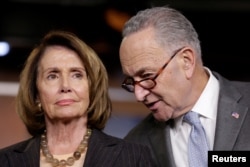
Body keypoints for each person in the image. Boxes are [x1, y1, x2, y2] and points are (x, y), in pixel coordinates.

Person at [0, 30, 156, 167]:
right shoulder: (5, 160)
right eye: (52, 76)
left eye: (77, 75)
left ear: (92, 88)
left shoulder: (134, 158)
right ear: (36, 93)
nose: (65, 86)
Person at [119, 6, 250, 167]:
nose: (138, 95)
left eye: (147, 76)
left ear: (186, 61)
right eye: (132, 81)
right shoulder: (135, 145)